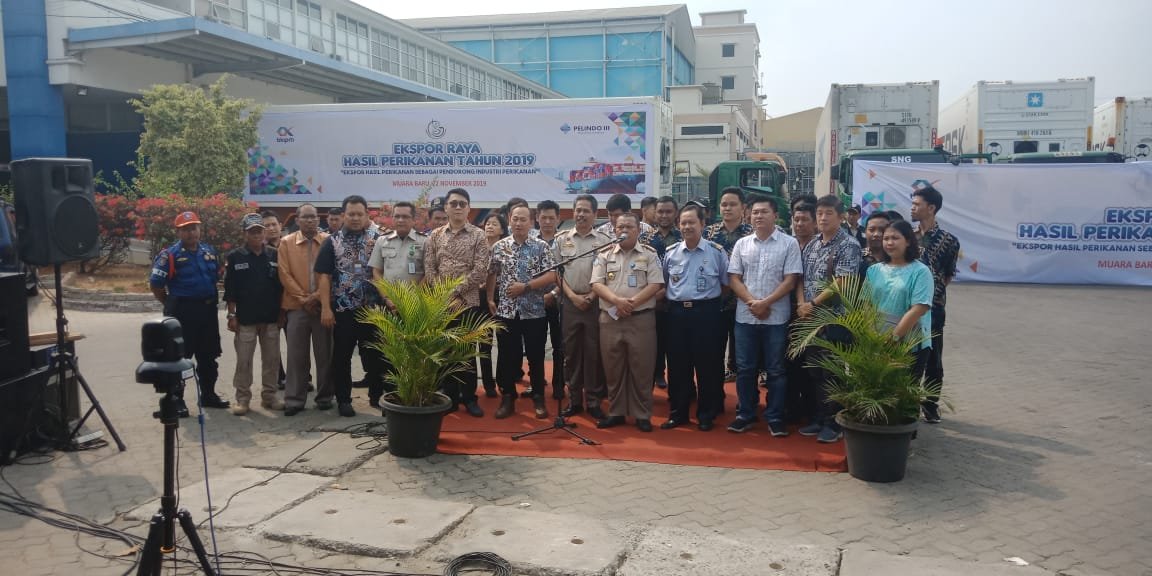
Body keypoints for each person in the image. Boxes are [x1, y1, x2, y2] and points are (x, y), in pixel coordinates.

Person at [726, 195, 803, 436]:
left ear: (775, 215)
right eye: (755, 212)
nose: (758, 216)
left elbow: (791, 280)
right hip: (745, 316)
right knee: (745, 368)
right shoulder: (742, 244)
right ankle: (746, 413)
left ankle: (775, 416)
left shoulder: (789, 244)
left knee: (776, 370)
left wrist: (766, 303)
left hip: (776, 317)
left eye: (764, 212)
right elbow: (734, 278)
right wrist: (753, 302)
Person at [149, 211, 231, 415]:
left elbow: (216, 278)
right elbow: (156, 284)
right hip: (183, 313)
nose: (191, 232)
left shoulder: (208, 251)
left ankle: (208, 395)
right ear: (178, 232)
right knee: (180, 357)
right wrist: (170, 303)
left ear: (199, 229)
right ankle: (177, 399)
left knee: (209, 355)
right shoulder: (169, 255)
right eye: (186, 229)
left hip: (208, 311)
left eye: (194, 228)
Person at [590, 213, 665, 432]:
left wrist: (630, 304)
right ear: (614, 230)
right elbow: (596, 284)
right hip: (610, 319)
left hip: (640, 320)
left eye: (629, 226)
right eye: (620, 226)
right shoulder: (604, 254)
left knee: (642, 368)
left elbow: (655, 284)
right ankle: (616, 412)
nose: (624, 229)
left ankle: (642, 414)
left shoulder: (649, 254)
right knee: (613, 368)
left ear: (638, 230)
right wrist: (617, 301)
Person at [796, 195, 861, 443]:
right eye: (820, 213)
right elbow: (801, 277)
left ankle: (834, 424)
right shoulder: (812, 244)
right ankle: (819, 418)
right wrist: (802, 304)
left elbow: (842, 281)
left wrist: (813, 303)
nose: (822, 218)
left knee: (832, 372)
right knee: (814, 371)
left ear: (841, 217)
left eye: (828, 213)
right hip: (810, 319)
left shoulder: (848, 245)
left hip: (835, 320)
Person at [660, 204, 729, 431]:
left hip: (706, 313)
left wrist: (707, 303)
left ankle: (706, 414)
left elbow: (726, 284)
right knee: (677, 365)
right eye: (683, 223)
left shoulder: (716, 252)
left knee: (707, 364)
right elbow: (664, 283)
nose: (687, 227)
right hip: (677, 314)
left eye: (692, 222)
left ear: (703, 224)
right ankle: (678, 413)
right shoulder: (671, 252)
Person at [315, 195, 386, 417]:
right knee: (342, 357)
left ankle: (376, 396)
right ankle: (344, 400)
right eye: (351, 214)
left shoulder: (379, 239)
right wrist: (326, 308)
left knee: (375, 355)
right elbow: (324, 276)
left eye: (359, 214)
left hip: (373, 310)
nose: (355, 218)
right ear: (344, 215)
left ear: (366, 215)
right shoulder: (332, 241)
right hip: (343, 310)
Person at [486, 205, 558, 419]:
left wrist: (526, 287)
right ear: (509, 220)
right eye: (515, 219)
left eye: (523, 219)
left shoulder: (541, 247)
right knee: (507, 355)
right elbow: (491, 273)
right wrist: (490, 298)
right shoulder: (499, 246)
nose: (518, 223)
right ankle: (508, 397)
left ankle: (538, 397)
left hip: (534, 311)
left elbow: (552, 275)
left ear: (531, 222)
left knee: (536, 355)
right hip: (507, 311)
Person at [424, 188, 491, 417]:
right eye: (454, 203)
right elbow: (430, 269)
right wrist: (445, 295)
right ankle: (450, 398)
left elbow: (480, 270)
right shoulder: (435, 236)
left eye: (463, 203)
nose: (458, 207)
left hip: (467, 302)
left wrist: (455, 293)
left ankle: (470, 398)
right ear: (446, 208)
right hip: (442, 304)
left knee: (467, 352)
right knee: (445, 351)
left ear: (469, 208)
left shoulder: (478, 235)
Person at [553, 195, 612, 421]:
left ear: (595, 214)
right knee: (572, 353)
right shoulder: (562, 239)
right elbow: (556, 273)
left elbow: (608, 273)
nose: (581, 214)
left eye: (586, 210)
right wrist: (571, 296)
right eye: (578, 210)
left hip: (595, 302)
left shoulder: (605, 241)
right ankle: (574, 400)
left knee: (593, 353)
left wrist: (591, 295)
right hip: (570, 303)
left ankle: (594, 401)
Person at [223, 213, 284, 416]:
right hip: (245, 320)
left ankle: (270, 396)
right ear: (245, 234)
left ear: (264, 232)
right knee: (244, 361)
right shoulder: (235, 257)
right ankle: (242, 399)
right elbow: (230, 290)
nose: (257, 235)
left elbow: (281, 287)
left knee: (272, 361)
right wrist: (231, 315)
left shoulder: (274, 255)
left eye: (259, 231)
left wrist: (282, 313)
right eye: (252, 232)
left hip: (270, 319)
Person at [911, 185, 960, 424]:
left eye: (916, 204)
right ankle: (907, 401)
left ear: (931, 208)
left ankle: (930, 404)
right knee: (910, 356)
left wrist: (934, 293)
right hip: (907, 308)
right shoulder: (907, 237)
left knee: (933, 358)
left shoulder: (949, 241)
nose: (912, 208)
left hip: (934, 308)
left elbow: (948, 274)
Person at [278, 203, 333, 416]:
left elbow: (332, 273)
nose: (310, 220)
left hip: (322, 306)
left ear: (318, 220)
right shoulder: (286, 243)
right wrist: (303, 299)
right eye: (305, 217)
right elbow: (284, 274)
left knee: (325, 354)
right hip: (296, 307)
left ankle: (325, 397)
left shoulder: (329, 241)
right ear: (297, 220)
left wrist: (316, 296)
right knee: (296, 356)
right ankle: (294, 399)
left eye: (313, 217)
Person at [866, 220, 934, 382]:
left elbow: (919, 309)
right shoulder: (874, 270)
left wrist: (894, 338)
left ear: (908, 241)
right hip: (877, 342)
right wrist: (872, 336)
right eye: (886, 238)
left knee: (903, 393)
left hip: (910, 344)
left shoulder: (921, 272)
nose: (889, 243)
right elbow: (866, 304)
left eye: (895, 238)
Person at [703, 187, 752, 384]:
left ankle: (743, 391)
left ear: (743, 208)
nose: (727, 208)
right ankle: (715, 393)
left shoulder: (752, 233)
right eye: (724, 204)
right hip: (717, 301)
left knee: (744, 354)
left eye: (732, 204)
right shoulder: (708, 233)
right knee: (714, 350)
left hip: (746, 301)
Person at [536, 200, 565, 400]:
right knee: (536, 347)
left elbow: (568, 273)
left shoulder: (565, 241)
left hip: (559, 301)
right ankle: (536, 385)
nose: (547, 221)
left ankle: (558, 385)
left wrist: (553, 294)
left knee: (559, 346)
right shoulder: (530, 241)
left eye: (551, 218)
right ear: (537, 218)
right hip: (535, 303)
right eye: (543, 217)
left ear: (558, 219)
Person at [651, 196, 681, 390]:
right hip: (652, 299)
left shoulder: (683, 237)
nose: (664, 215)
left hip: (675, 299)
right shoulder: (645, 238)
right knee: (655, 342)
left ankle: (679, 381)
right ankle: (657, 373)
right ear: (655, 213)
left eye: (668, 211)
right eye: (660, 211)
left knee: (676, 344)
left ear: (675, 213)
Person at [478, 213, 507, 398]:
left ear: (502, 230)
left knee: (504, 343)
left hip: (502, 297)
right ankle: (488, 383)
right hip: (480, 298)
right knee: (485, 342)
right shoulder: (478, 248)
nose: (489, 226)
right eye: (487, 223)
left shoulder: (506, 249)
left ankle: (504, 381)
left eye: (494, 224)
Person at [595, 193, 664, 259]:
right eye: (610, 215)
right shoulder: (601, 232)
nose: (612, 219)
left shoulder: (646, 229)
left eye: (617, 215)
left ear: (628, 212)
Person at [860, 210, 893, 276]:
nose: (876, 234)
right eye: (871, 230)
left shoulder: (898, 258)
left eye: (882, 230)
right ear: (865, 232)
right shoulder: (856, 257)